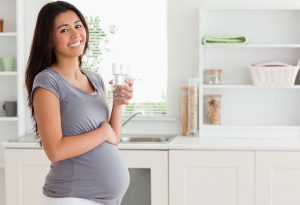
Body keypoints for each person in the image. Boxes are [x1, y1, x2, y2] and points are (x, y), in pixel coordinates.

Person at [25, 1, 133, 205]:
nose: (75, 34)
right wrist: (102, 132)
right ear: (49, 39)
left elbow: (112, 139)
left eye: (78, 25)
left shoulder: (95, 78)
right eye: (64, 29)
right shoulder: (48, 81)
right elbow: (55, 151)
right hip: (73, 197)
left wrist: (118, 104)